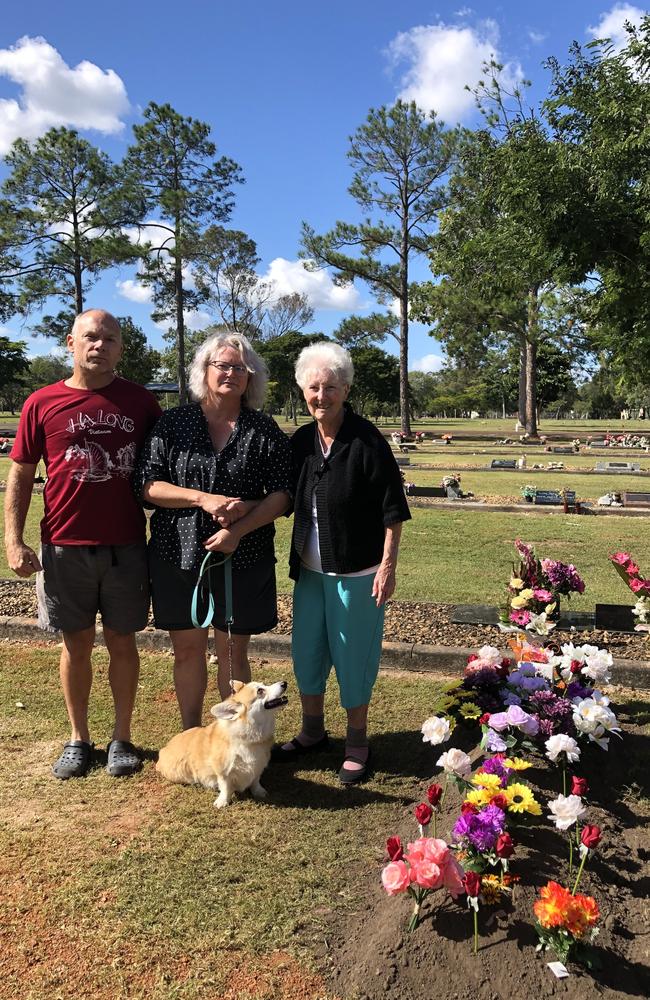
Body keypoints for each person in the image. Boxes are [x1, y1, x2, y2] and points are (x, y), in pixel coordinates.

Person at [4, 309, 162, 779]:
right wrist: (13, 541)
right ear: (70, 343)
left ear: (121, 348)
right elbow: (20, 474)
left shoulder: (141, 403)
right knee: (75, 644)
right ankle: (78, 739)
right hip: (64, 545)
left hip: (127, 545)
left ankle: (122, 737)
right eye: (90, 337)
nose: (100, 345)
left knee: (122, 642)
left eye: (110, 339)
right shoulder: (41, 402)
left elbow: (162, 467)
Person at [134, 331, 291, 729]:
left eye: (240, 368)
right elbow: (149, 485)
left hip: (244, 555)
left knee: (233, 654)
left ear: (251, 378)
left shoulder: (262, 429)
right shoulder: (173, 424)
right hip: (178, 554)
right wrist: (203, 498)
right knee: (187, 650)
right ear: (203, 370)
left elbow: (283, 495)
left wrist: (240, 528)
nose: (231, 373)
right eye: (222, 365)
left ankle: (234, 738)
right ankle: (191, 734)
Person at [276, 342, 411, 784]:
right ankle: (312, 732)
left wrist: (388, 567)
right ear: (302, 391)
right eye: (313, 387)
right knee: (307, 654)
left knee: (354, 659)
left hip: (357, 574)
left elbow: (393, 509)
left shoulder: (367, 440)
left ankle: (357, 741)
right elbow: (278, 496)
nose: (321, 395)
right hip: (310, 572)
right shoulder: (301, 441)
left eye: (330, 387)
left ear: (346, 389)